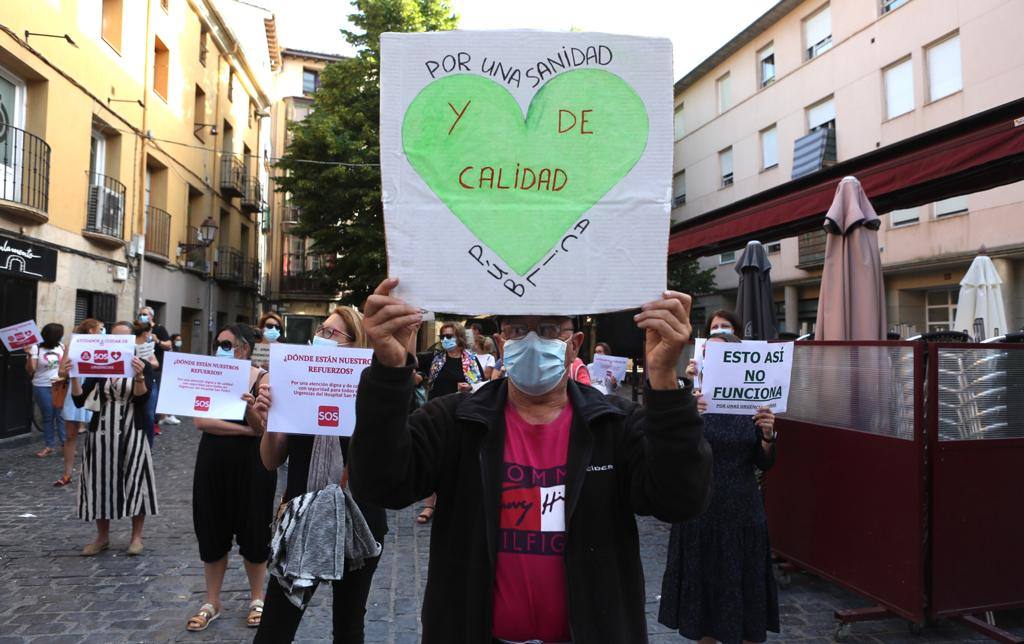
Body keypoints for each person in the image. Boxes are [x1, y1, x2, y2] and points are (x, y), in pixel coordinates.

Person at [349, 277, 713, 643]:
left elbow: (679, 499)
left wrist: (664, 381)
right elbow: (382, 484)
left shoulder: (613, 424)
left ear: (574, 345)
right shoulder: (455, 421)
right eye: (519, 329)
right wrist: (389, 373)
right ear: (502, 343)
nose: (534, 341)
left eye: (550, 328)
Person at [253, 306, 387, 643]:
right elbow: (271, 460)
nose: (320, 338)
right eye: (320, 331)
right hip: (301, 516)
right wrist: (269, 421)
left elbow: (384, 461)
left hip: (360, 518)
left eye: (331, 333)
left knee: (349, 626)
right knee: (274, 629)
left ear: (355, 345)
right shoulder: (295, 383)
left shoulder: (373, 391)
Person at [659, 332, 780, 644]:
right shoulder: (690, 400)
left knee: (746, 603)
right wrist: (688, 417)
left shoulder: (754, 403)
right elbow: (673, 455)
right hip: (700, 512)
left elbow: (763, 462)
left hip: (742, 513)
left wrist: (768, 437)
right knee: (705, 612)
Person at [187, 324, 276, 632]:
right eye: (218, 343)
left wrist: (251, 413)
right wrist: (245, 430)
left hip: (254, 465)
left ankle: (257, 598)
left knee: (255, 528)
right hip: (213, 462)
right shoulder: (210, 374)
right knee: (211, 527)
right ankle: (212, 601)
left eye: (226, 343)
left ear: (243, 348)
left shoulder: (264, 378)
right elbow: (201, 421)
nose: (220, 348)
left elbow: (264, 427)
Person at [69, 321, 157, 557]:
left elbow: (142, 400)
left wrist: (138, 376)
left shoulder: (143, 365)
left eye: (123, 338)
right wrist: (74, 375)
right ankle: (102, 537)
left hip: (132, 429)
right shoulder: (99, 367)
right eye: (113, 337)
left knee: (136, 479)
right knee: (100, 480)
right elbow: (80, 401)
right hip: (102, 430)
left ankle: (136, 537)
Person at [415, 321, 485, 524]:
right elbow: (409, 360)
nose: (445, 340)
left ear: (460, 337)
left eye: (449, 336)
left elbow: (481, 387)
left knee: (458, 459)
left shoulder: (471, 360)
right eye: (442, 336)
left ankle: (455, 503)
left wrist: (469, 387)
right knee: (433, 458)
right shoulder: (435, 358)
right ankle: (429, 505)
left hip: (462, 415)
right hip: (435, 416)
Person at [53, 319, 103, 487]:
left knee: (97, 433)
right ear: (91, 330)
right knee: (70, 434)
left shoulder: (105, 346)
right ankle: (67, 473)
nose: (103, 331)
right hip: (74, 388)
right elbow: (61, 371)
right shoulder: (73, 345)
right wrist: (66, 369)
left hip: (94, 390)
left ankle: (92, 473)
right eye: (100, 328)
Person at [27, 323, 66, 458]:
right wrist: (28, 355)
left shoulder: (61, 346)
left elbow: (65, 365)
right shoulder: (36, 348)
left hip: (59, 385)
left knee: (61, 416)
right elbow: (31, 370)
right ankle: (49, 446)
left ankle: (64, 445)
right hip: (41, 385)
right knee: (48, 416)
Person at [137, 306, 178, 429]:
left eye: (144, 314)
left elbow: (169, 345)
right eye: (140, 314)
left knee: (154, 396)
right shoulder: (137, 328)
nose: (141, 316)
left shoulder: (159, 329)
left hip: (155, 368)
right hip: (138, 368)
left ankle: (154, 422)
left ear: (151, 316)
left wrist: (158, 341)